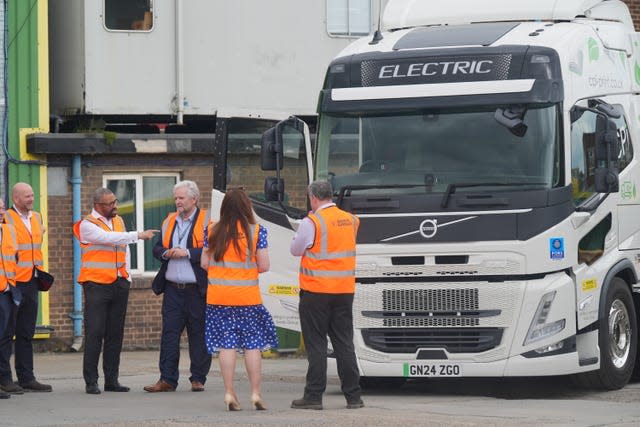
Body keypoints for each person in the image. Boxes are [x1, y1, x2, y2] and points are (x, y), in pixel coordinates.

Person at [72, 188, 158, 395]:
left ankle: (112, 380)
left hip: (119, 283)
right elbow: (109, 239)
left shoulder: (118, 220)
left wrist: (126, 276)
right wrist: (138, 235)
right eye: (110, 203)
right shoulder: (87, 225)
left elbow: (123, 248)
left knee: (115, 333)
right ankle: (91, 381)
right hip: (96, 284)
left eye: (115, 201)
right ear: (97, 205)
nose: (115, 206)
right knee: (95, 332)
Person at [200, 188, 277, 411]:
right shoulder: (257, 231)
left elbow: (205, 264)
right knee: (252, 346)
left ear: (225, 207)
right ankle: (255, 393)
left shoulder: (212, 230)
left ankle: (229, 392)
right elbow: (264, 265)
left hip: (218, 298)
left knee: (227, 345)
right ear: (246, 207)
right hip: (247, 298)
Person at [290, 180, 363, 410]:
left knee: (317, 345)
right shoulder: (351, 220)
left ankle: (313, 396)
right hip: (343, 291)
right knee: (344, 343)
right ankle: (354, 397)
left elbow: (296, 250)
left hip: (316, 292)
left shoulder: (311, 222)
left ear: (312, 197)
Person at [144, 181, 212, 393]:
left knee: (198, 334)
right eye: (176, 198)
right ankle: (167, 379)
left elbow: (216, 249)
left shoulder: (208, 220)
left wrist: (189, 253)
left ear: (194, 199)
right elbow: (156, 248)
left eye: (181, 198)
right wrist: (166, 253)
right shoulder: (169, 220)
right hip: (173, 288)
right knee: (170, 335)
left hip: (197, 289)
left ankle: (198, 378)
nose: (178, 202)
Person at [1, 183, 52, 393]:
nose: (31, 199)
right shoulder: (7, 218)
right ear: (16, 198)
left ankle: (26, 377)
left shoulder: (37, 217)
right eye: (27, 196)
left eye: (32, 195)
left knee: (26, 331)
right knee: (6, 331)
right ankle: (5, 378)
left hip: (32, 280)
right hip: (13, 283)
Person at [0, 199, 18, 399]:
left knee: (5, 337)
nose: (1, 211)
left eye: (2, 208)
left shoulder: (8, 230)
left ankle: (4, 379)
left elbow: (14, 257)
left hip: (7, 291)